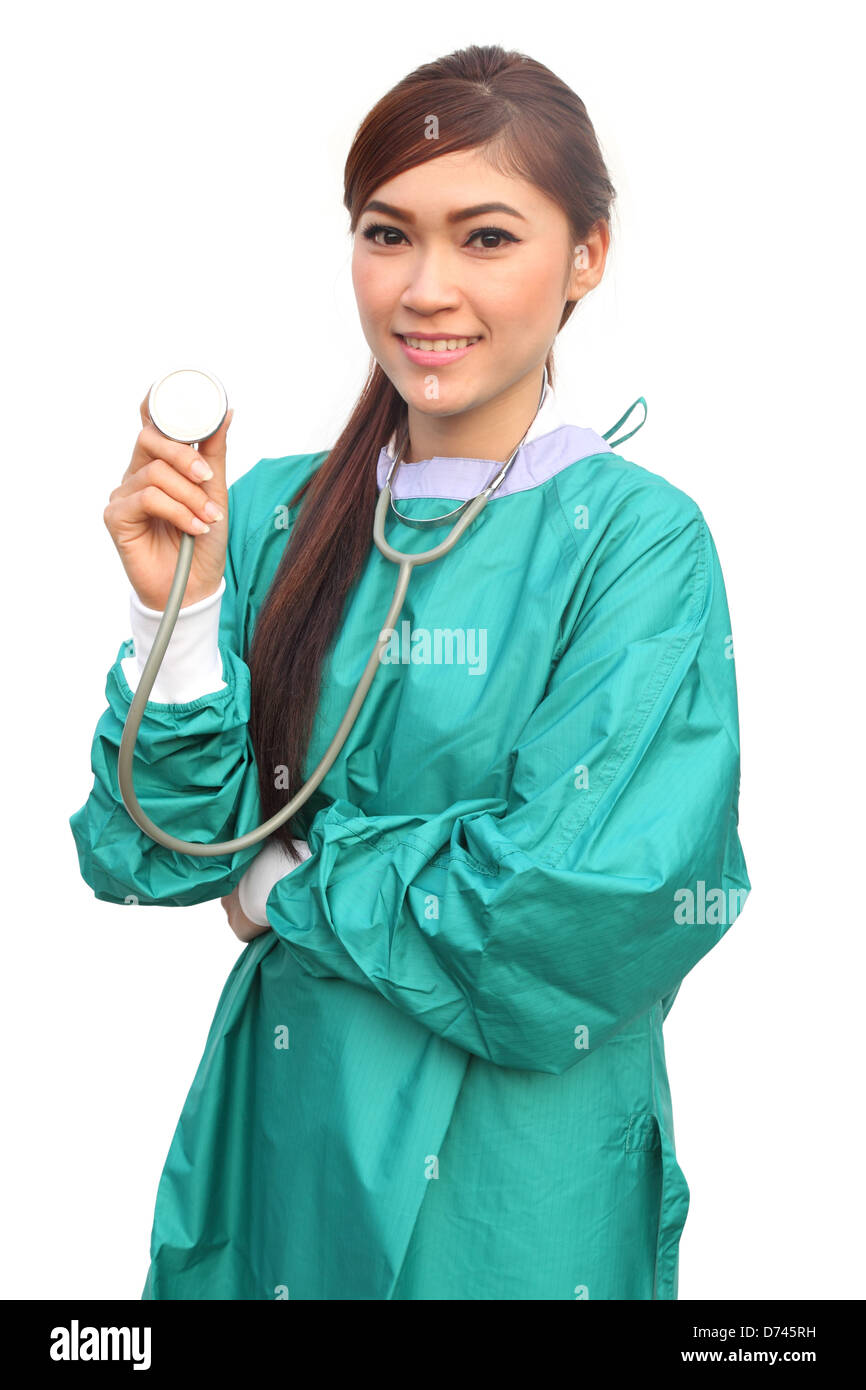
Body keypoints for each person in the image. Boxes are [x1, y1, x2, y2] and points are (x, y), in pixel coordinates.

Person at [69, 43, 751, 1301]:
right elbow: (147, 852)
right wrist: (179, 607)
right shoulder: (273, 515)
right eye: (388, 234)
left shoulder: (639, 544)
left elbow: (580, 908)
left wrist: (284, 889)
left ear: (586, 257)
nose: (425, 288)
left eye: (485, 238)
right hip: (286, 1135)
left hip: (514, 1180)